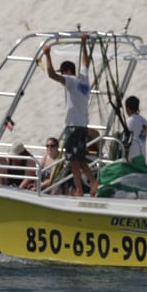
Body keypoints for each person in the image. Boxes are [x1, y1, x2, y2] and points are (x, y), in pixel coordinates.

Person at [43, 33, 98, 197]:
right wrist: (83, 43)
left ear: (67, 71)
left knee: (73, 160)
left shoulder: (71, 81)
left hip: (73, 126)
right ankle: (93, 182)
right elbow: (85, 62)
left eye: (64, 72)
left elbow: (51, 74)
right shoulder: (84, 79)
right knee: (79, 158)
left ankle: (79, 189)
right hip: (82, 125)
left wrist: (47, 55)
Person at [125, 95, 147, 162]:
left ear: (127, 108)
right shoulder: (144, 121)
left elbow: (125, 139)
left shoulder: (130, 120)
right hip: (143, 157)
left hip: (133, 158)